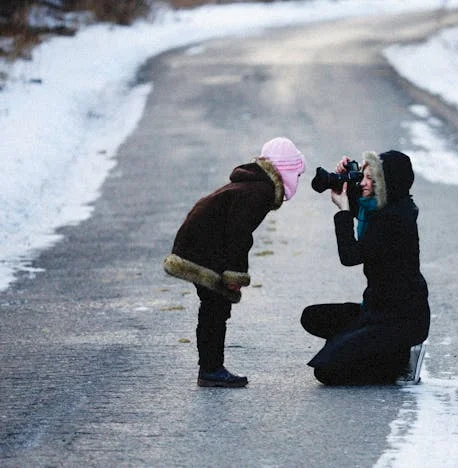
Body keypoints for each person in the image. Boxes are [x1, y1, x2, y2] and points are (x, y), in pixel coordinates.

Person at [163, 137, 306, 388]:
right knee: (214, 308)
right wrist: (234, 277)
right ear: (285, 170)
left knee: (214, 307)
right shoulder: (260, 192)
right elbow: (239, 235)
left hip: (202, 244)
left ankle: (210, 368)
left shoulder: (255, 185)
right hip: (203, 249)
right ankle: (210, 370)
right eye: (296, 173)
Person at [301, 150, 430, 385]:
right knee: (312, 317)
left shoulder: (393, 220)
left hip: (399, 321)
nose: (363, 183)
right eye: (363, 176)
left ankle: (397, 362)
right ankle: (369, 349)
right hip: (375, 310)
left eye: (371, 179)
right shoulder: (388, 208)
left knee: (326, 372)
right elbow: (365, 207)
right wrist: (348, 177)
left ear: (386, 183)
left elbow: (350, 256)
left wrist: (342, 210)